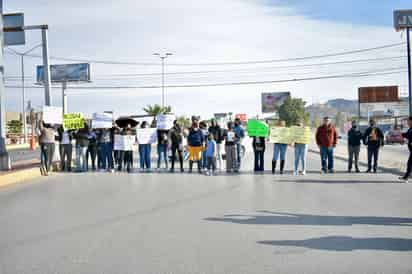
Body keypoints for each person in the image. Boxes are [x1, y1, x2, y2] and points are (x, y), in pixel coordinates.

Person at [399, 116, 412, 182]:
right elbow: (407, 135)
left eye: (408, 121)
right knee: (409, 163)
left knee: (409, 163)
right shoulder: (410, 129)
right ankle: (406, 176)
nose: (407, 122)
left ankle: (406, 177)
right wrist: (401, 134)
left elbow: (409, 136)